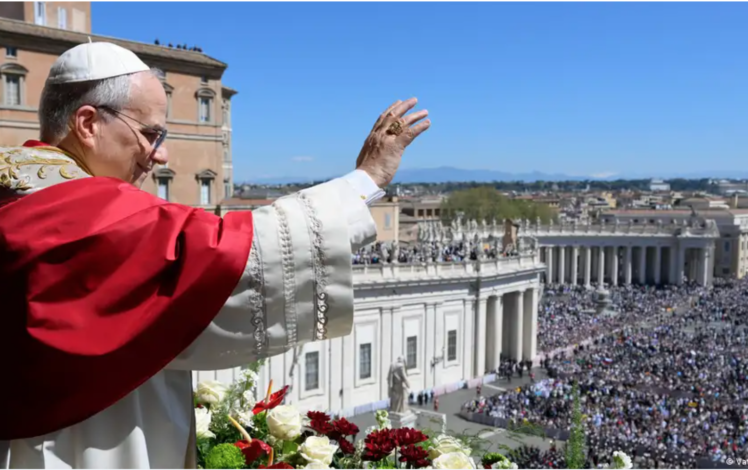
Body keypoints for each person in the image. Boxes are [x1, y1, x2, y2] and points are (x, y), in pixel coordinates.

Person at [0, 42, 430, 469]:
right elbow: (230, 254)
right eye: (150, 134)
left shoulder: (17, 192)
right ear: (89, 124)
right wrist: (366, 179)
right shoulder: (83, 211)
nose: (161, 154)